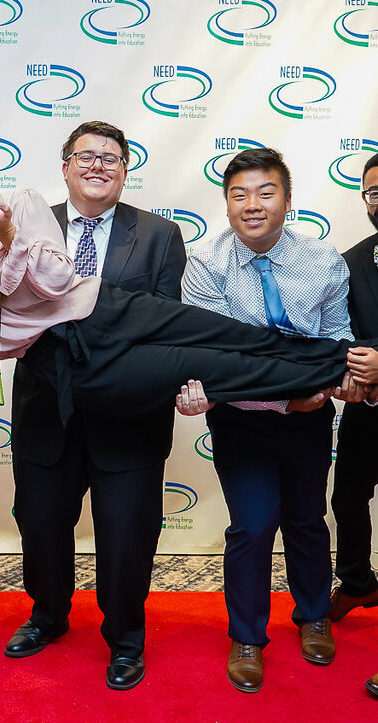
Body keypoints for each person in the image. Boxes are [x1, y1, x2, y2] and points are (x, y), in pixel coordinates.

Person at [0, 131, 367, 419]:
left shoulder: (20, 204)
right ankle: (338, 374)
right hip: (71, 358)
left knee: (233, 335)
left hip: (105, 307)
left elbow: (54, 281)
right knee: (219, 367)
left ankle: (353, 362)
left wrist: (7, 236)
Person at [4, 121, 186, 690]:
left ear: (125, 170)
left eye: (111, 158)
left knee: (127, 534)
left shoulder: (159, 235)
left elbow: (161, 324)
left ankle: (127, 637)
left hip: (128, 416)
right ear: (64, 167)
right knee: (41, 525)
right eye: (85, 156)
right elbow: (6, 307)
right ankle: (48, 616)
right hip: (45, 410)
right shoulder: (27, 228)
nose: (98, 166)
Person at [177, 147, 366, 693]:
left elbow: (334, 344)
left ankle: (312, 616)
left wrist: (319, 384)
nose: (251, 205)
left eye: (265, 192)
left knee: (307, 520)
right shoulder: (208, 265)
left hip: (310, 417)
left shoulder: (323, 261)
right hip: (241, 424)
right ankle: (247, 637)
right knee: (253, 526)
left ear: (287, 199)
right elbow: (220, 359)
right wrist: (289, 392)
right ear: (227, 204)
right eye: (239, 195)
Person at [325, 154, 378, 696]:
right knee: (347, 501)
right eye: (373, 192)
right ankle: (359, 584)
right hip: (367, 412)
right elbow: (341, 334)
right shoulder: (351, 261)